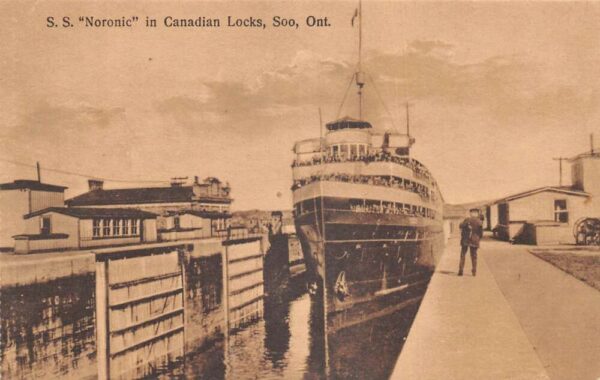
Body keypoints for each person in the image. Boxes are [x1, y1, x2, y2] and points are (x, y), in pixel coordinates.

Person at [458, 208, 483, 276]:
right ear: (477, 213)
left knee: (463, 255)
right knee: (474, 256)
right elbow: (481, 234)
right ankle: (474, 272)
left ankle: (461, 270)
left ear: (471, 213)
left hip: (465, 240)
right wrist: (478, 238)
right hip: (475, 240)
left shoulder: (467, 220)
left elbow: (460, 226)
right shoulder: (479, 221)